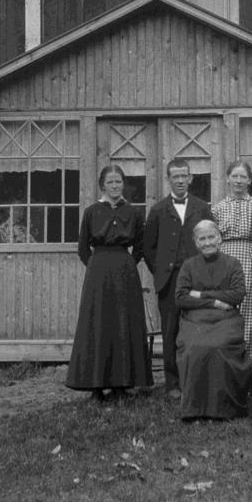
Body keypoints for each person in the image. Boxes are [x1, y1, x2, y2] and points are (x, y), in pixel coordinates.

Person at [66, 164, 152, 401]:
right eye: (110, 182)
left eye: (118, 182)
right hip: (99, 272)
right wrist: (97, 267)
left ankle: (121, 384)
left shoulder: (133, 213)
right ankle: (95, 385)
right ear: (103, 185)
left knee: (124, 323)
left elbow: (141, 247)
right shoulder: (92, 211)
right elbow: (83, 248)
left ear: (123, 184)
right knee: (98, 324)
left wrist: (126, 264)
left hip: (125, 271)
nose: (115, 186)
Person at [144, 158, 213, 400]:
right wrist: (162, 272)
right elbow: (148, 248)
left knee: (198, 327)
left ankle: (197, 380)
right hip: (169, 280)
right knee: (171, 330)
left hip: (197, 278)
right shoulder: (158, 210)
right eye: (176, 176)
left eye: (184, 176)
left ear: (191, 178)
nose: (181, 180)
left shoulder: (202, 207)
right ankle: (172, 383)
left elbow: (210, 241)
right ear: (168, 179)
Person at [175, 220, 252, 421]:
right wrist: (216, 301)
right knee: (196, 347)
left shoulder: (233, 263)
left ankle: (223, 409)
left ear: (219, 238)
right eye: (202, 238)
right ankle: (194, 409)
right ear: (196, 242)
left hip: (227, 319)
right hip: (195, 321)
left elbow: (237, 294)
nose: (208, 242)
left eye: (211, 237)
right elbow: (181, 298)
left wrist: (200, 295)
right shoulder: (188, 265)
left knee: (218, 346)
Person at [211, 160, 252, 371]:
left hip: (251, 257)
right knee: (229, 309)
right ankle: (229, 364)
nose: (238, 181)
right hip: (225, 258)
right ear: (227, 179)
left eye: (243, 177)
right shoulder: (217, 208)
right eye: (234, 176)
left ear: (249, 180)